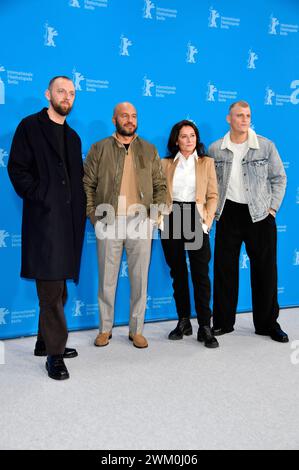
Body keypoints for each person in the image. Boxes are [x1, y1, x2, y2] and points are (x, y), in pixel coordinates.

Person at [8, 76, 86, 380]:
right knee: (51, 290)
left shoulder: (74, 137)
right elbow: (17, 169)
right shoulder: (30, 127)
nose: (66, 97)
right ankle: (54, 355)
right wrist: (42, 196)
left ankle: (45, 341)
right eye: (61, 91)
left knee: (59, 288)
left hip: (69, 224)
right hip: (44, 221)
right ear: (48, 93)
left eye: (71, 93)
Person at [83, 102, 167, 349]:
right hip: (109, 220)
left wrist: (154, 217)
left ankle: (136, 330)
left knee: (140, 279)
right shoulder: (99, 148)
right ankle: (105, 329)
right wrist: (93, 216)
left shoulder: (149, 150)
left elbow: (161, 187)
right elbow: (87, 185)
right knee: (107, 279)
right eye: (124, 116)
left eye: (133, 116)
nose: (130, 120)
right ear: (114, 119)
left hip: (141, 222)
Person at [209, 100, 288, 342]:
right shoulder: (215, 149)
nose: (244, 119)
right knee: (225, 270)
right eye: (239, 115)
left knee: (265, 271)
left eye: (247, 115)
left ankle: (267, 324)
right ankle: (223, 322)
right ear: (228, 119)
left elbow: (279, 178)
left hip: (259, 214)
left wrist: (272, 209)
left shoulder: (265, 146)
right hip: (228, 213)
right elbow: (209, 183)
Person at [161, 120, 219, 348]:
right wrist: (160, 219)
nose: (189, 140)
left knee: (200, 274)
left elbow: (213, 195)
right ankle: (184, 321)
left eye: (192, 136)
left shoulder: (206, 163)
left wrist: (206, 221)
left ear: (197, 138)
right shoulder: (165, 163)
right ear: (176, 140)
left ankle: (205, 326)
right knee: (178, 273)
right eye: (184, 136)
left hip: (196, 219)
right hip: (172, 216)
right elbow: (158, 192)